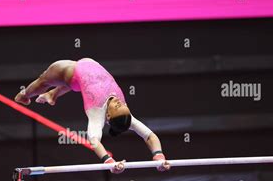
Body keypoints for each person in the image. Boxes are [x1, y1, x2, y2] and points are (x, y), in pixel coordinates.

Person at [14, 58, 170, 173]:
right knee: (77, 85)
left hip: (71, 71)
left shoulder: (97, 112)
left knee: (43, 80)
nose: (119, 102)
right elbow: (150, 136)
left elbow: (94, 140)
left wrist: (108, 161)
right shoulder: (125, 115)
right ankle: (53, 95)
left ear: (108, 116)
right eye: (123, 105)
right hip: (79, 79)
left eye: (117, 106)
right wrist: (158, 155)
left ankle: (24, 94)